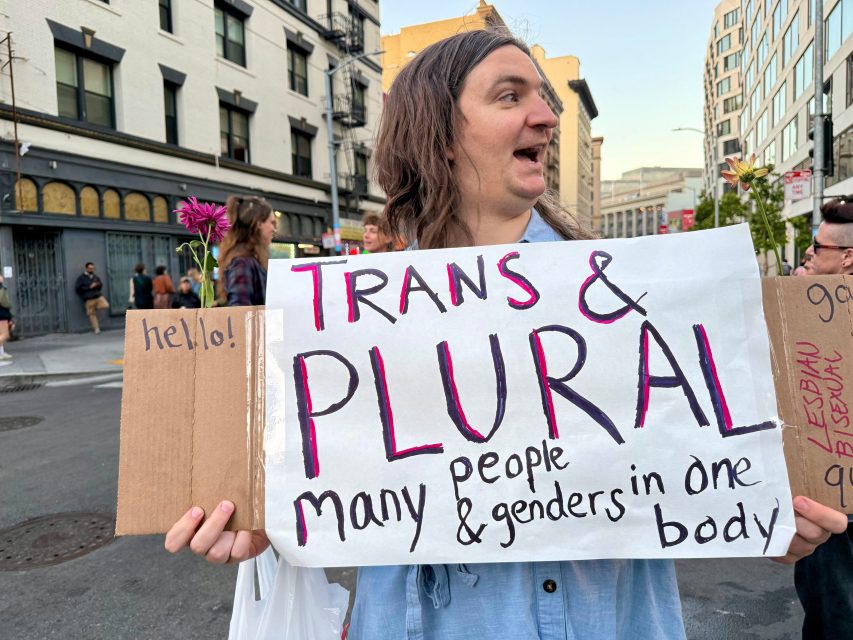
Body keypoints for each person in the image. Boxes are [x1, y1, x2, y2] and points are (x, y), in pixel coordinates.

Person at [165, 30, 848, 640]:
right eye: (508, 96)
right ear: (439, 135)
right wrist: (258, 516)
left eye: (544, 97)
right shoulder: (347, 322)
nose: (545, 117)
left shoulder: (645, 296)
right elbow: (321, 484)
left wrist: (770, 515)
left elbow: (714, 470)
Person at [793, 198, 853, 640]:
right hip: (820, 490)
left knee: (839, 614)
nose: (809, 254)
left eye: (818, 247)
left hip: (841, 496)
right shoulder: (812, 306)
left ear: (847, 258)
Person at [217, 195, 276, 307]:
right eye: (271, 222)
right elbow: (240, 312)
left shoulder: (249, 259)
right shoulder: (242, 263)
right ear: (258, 223)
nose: (274, 229)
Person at [74, 262, 109, 334]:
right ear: (86, 268)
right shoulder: (81, 278)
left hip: (98, 296)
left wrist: (97, 284)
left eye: (92, 268)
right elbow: (78, 288)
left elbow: (100, 284)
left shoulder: (95, 276)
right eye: (90, 268)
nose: (91, 269)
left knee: (106, 305)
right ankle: (96, 329)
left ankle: (95, 308)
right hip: (89, 299)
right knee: (91, 315)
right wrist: (89, 287)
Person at [0, 274, 14, 360]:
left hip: (2, 313)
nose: (2, 277)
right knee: (5, 335)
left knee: (2, 334)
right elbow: (3, 301)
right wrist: (9, 305)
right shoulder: (1, 288)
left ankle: (1, 353)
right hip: (1, 313)